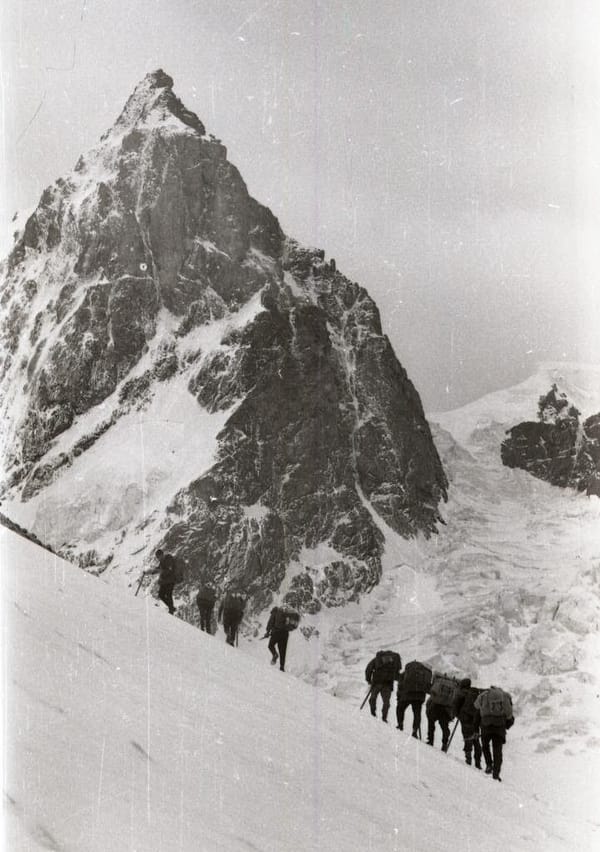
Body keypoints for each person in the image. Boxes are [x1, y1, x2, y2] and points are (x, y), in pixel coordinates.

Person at [474, 686, 514, 782]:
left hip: (486, 725)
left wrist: (476, 728)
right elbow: (509, 714)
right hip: (499, 726)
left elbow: (476, 708)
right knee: (497, 751)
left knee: (485, 746)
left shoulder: (483, 696)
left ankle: (488, 764)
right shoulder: (504, 696)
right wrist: (506, 726)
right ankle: (496, 774)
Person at [452, 678, 483, 768]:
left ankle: (468, 758)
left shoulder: (462, 693)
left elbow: (456, 704)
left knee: (467, 738)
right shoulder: (476, 693)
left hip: (465, 718)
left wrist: (457, 715)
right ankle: (478, 762)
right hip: (475, 720)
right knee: (476, 740)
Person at [396, 661, 431, 738]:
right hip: (419, 696)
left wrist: (399, 695)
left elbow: (400, 683)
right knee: (417, 713)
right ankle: (415, 731)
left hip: (408, 693)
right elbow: (428, 687)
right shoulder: (426, 673)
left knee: (400, 708)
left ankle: (400, 724)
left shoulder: (408, 671)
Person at [365, 650, 402, 723]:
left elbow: (368, 669)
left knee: (373, 698)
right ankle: (384, 718)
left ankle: (373, 713)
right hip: (387, 684)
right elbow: (397, 675)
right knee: (386, 702)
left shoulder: (377, 659)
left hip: (376, 683)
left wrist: (369, 680)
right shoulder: (394, 661)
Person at [426, 673, 457, 750]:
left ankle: (430, 740)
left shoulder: (439, 681)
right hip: (446, 709)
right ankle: (444, 743)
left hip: (435, 706)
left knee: (431, 722)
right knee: (444, 726)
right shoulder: (454, 686)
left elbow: (432, 693)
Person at [142, 549, 178, 614]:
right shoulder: (162, 561)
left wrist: (161, 571)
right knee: (161, 595)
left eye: (158, 557)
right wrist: (149, 572)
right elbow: (158, 569)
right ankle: (171, 607)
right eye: (157, 557)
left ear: (162, 555)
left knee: (168, 594)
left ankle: (171, 610)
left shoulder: (168, 559)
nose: (158, 558)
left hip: (171, 580)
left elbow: (169, 570)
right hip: (164, 581)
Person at [265, 606, 291, 671]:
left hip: (277, 632)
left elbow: (270, 622)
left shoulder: (274, 612)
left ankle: (275, 654)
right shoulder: (286, 614)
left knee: (270, 645)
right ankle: (282, 667)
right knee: (282, 651)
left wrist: (267, 632)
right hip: (285, 633)